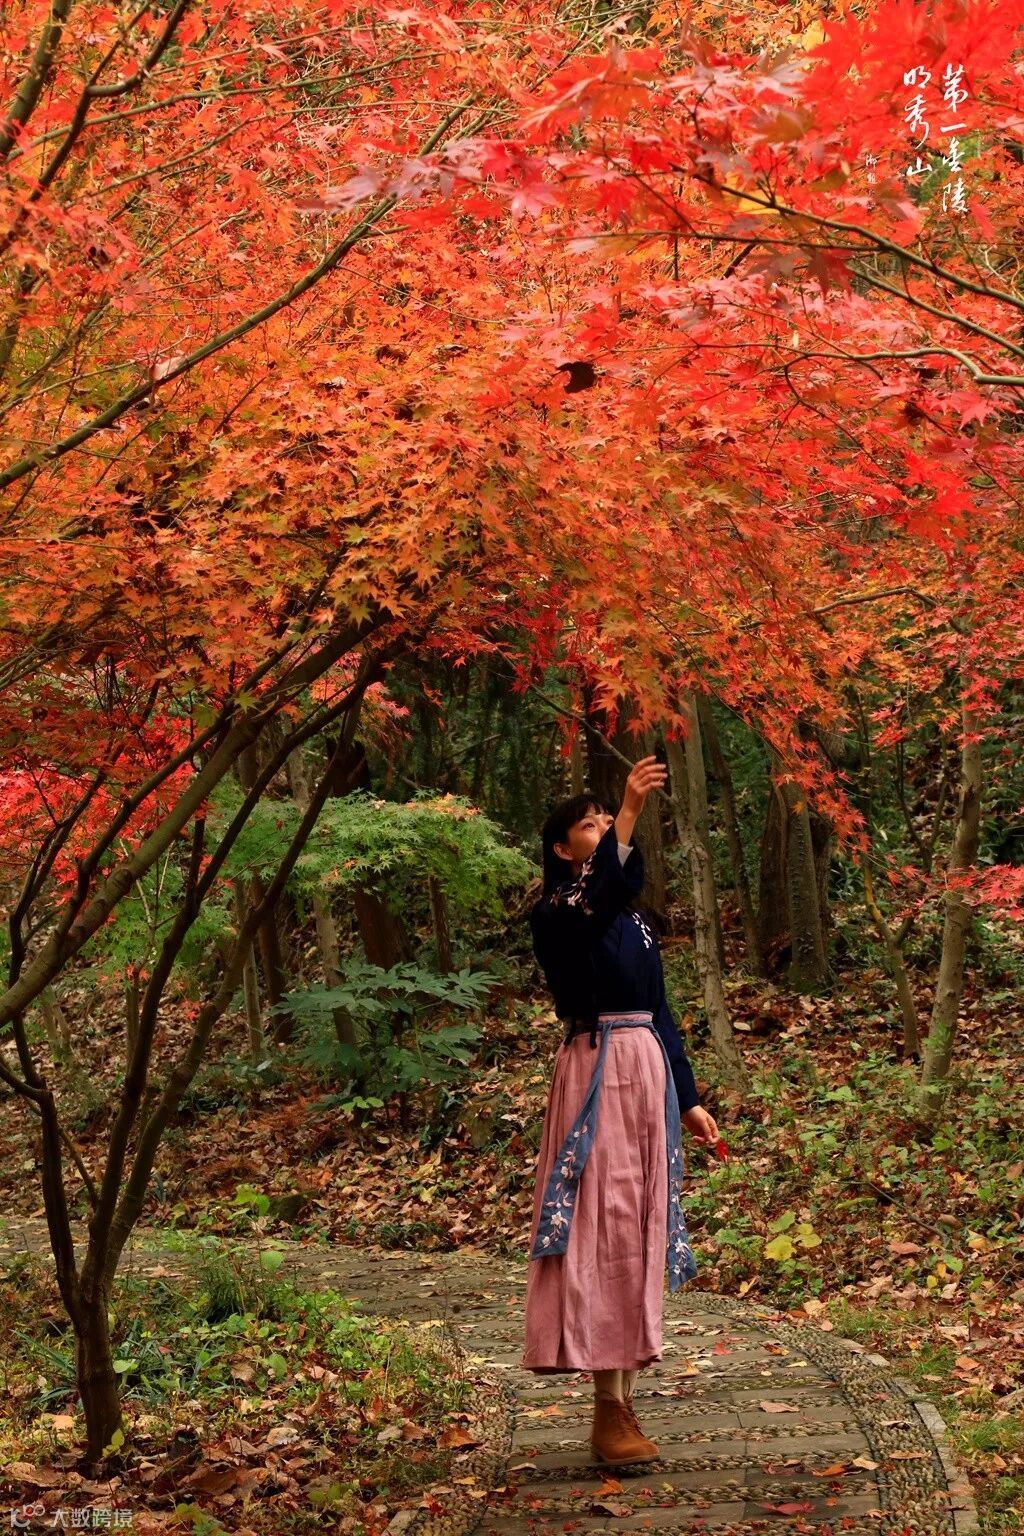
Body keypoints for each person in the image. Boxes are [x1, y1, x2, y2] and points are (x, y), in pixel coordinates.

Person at [521, 755, 719, 1468]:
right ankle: (608, 1407)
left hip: (645, 1071)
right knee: (601, 1224)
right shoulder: (556, 914)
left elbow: (660, 1010)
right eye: (590, 823)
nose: (603, 826)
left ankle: (623, 1401)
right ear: (560, 848)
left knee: (636, 1224)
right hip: (594, 1071)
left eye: (607, 816)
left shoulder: (634, 922)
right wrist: (631, 814)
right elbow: (595, 899)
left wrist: (688, 1099)